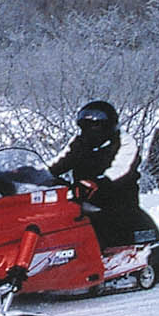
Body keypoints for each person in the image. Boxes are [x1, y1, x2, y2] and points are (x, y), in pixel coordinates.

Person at [48, 100, 143, 248]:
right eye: (85, 124)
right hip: (83, 197)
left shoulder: (124, 142)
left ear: (108, 124)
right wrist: (31, 174)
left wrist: (98, 183)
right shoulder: (80, 141)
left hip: (117, 199)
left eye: (94, 124)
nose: (89, 129)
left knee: (106, 227)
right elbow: (60, 161)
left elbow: (122, 169)